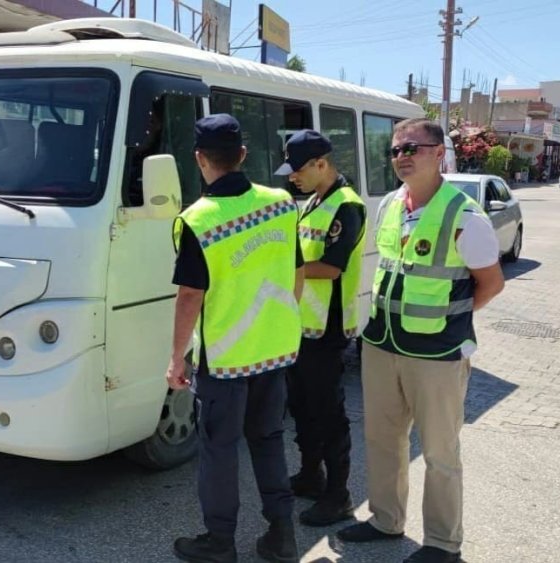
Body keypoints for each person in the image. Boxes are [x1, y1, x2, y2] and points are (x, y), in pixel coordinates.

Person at [337, 118, 505, 563]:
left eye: (412, 147)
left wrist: (450, 320)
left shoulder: (465, 215)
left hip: (437, 352)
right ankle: (386, 520)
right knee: (382, 437)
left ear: (438, 153)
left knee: (439, 451)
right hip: (383, 343)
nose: (402, 156)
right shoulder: (389, 205)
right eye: (395, 150)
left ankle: (443, 544)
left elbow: (490, 283)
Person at [168, 114, 305, 563]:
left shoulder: (200, 219)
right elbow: (298, 272)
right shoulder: (282, 202)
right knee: (268, 441)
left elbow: (190, 296)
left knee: (220, 451)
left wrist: (176, 359)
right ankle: (282, 535)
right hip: (275, 350)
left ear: (199, 159)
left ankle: (220, 542)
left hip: (226, 361)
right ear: (243, 154)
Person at [274, 130, 366, 527]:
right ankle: (312, 474)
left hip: (327, 330)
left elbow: (331, 266)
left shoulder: (347, 206)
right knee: (303, 408)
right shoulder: (313, 202)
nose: (292, 177)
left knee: (328, 414)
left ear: (321, 164)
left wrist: (279, 270)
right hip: (301, 326)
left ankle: (339, 495)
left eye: (297, 170)